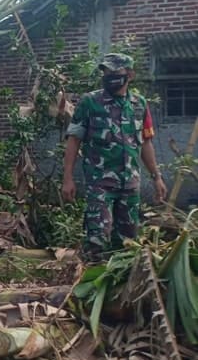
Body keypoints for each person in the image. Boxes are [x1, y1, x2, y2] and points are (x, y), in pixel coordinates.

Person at [62, 53, 168, 263]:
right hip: (100, 183)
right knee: (97, 239)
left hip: (130, 184)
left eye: (115, 73)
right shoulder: (90, 102)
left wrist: (156, 177)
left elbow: (145, 143)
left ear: (130, 74)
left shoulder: (139, 104)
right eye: (106, 73)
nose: (109, 77)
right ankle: (91, 284)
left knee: (129, 242)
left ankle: (119, 288)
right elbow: (74, 140)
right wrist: (67, 178)